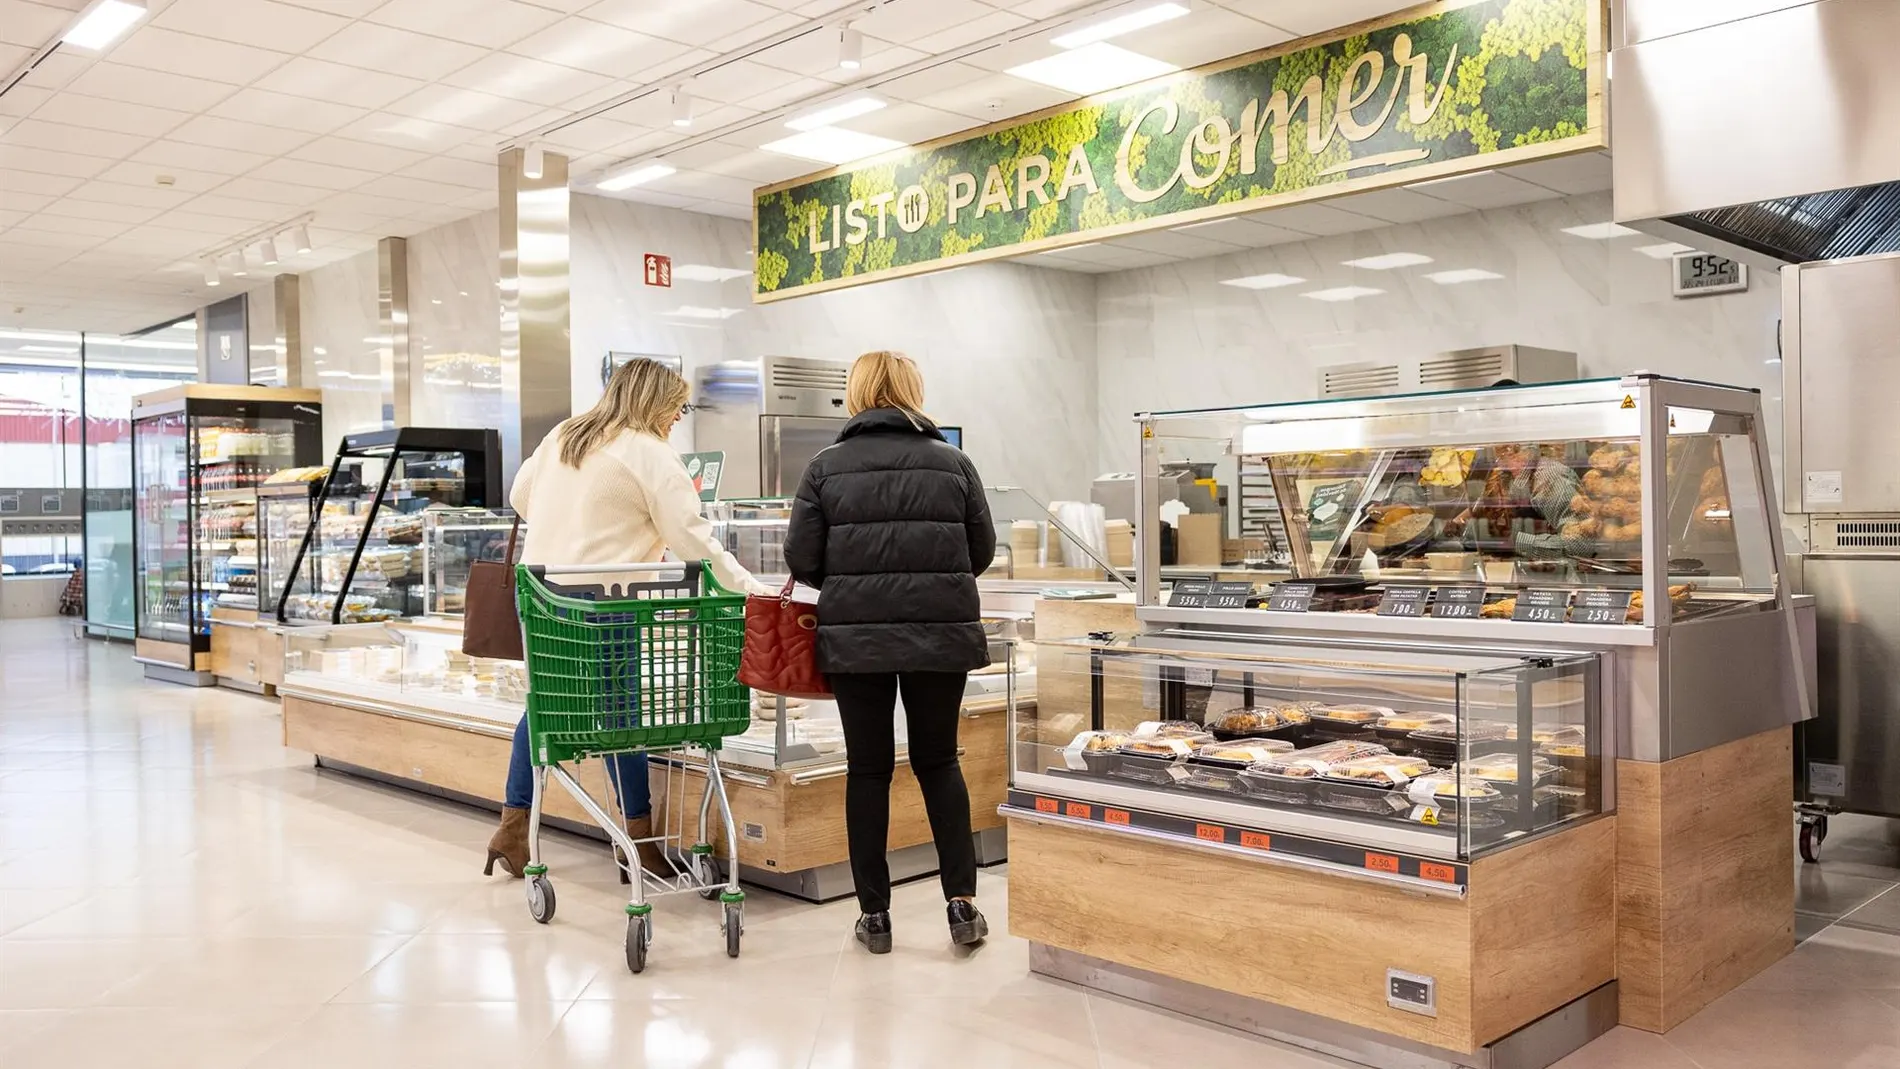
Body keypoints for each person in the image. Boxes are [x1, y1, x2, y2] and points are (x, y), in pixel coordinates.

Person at [484, 358, 766, 881]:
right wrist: (753, 592)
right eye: (678, 406)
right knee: (622, 718)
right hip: (604, 602)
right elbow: (694, 542)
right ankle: (636, 838)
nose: (679, 416)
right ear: (657, 402)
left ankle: (513, 827)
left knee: (551, 705)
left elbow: (519, 496)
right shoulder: (651, 453)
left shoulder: (566, 434)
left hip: (543, 597)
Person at [784, 350, 997, 954]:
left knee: (868, 769)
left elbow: (802, 560)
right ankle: (962, 906)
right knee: (939, 762)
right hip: (941, 633)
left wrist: (855, 581)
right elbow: (979, 551)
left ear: (854, 395)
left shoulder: (824, 467)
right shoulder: (954, 462)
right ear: (913, 391)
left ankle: (874, 916)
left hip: (857, 637)